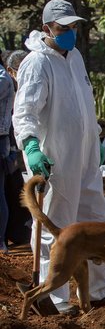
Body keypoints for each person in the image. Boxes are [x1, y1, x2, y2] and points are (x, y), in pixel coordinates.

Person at [12, 0, 105, 315]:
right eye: (63, 28)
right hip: (55, 160)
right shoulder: (36, 63)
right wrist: (31, 146)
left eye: (73, 27)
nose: (70, 33)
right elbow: (25, 112)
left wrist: (93, 137)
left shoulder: (76, 57)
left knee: (97, 219)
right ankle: (54, 298)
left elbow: (85, 104)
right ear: (46, 29)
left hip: (84, 159)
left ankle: (98, 291)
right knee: (56, 226)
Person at [3, 50, 30, 248]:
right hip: (10, 141)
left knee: (7, 190)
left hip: (8, 142)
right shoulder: (8, 80)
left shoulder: (4, 80)